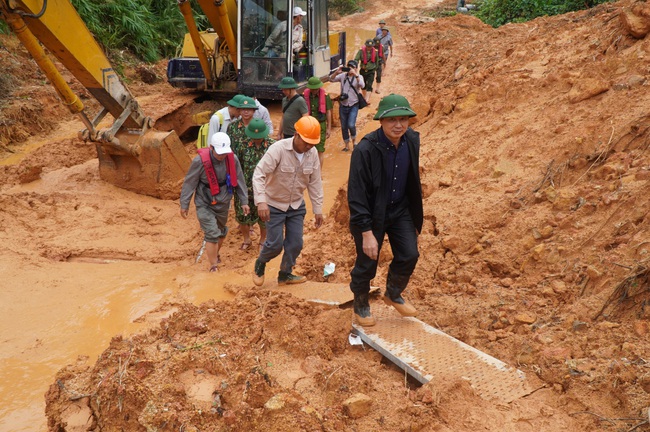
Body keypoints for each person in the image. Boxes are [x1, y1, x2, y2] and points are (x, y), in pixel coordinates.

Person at [347, 94, 422, 327]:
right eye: (392, 120)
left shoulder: (411, 140)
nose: (398, 125)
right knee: (367, 262)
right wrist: (366, 231)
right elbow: (356, 194)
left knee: (410, 254)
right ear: (381, 120)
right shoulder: (366, 149)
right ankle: (360, 304)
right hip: (371, 214)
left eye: (403, 119)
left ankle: (393, 292)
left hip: (400, 210)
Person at [252, 116, 324, 286]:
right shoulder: (278, 149)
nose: (309, 146)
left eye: (312, 143)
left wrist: (318, 208)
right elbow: (259, 174)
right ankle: (260, 263)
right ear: (297, 135)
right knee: (275, 244)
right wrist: (261, 201)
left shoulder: (312, 153)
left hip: (296, 205)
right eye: (306, 142)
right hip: (274, 204)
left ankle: (285, 274)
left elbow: (315, 182)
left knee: (296, 243)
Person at [180, 132, 249, 272]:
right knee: (212, 232)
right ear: (211, 148)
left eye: (224, 153)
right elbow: (189, 183)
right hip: (204, 202)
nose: (222, 156)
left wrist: (244, 201)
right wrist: (184, 204)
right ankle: (213, 266)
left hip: (223, 201)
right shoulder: (199, 161)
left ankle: (215, 253)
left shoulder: (232, 159)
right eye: (219, 153)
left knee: (221, 231)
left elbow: (240, 181)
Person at [232, 118, 274, 251]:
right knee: (242, 215)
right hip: (245, 188)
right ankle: (247, 239)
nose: (257, 139)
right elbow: (237, 166)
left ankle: (262, 240)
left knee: (264, 216)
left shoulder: (272, 146)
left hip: (264, 188)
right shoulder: (242, 145)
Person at [329, 60, 365, 152]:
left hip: (354, 105)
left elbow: (362, 85)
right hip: (343, 104)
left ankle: (354, 142)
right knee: (344, 126)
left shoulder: (359, 77)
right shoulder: (342, 76)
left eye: (352, 67)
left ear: (356, 68)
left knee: (351, 125)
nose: (350, 69)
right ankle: (346, 145)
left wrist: (356, 75)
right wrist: (337, 72)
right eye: (349, 67)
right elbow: (331, 79)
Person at [303, 76, 332, 168]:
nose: (314, 91)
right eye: (312, 89)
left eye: (316, 89)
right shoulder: (305, 96)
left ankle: (318, 174)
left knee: (320, 149)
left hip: (321, 124)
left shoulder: (325, 96)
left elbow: (328, 112)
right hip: (309, 125)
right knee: (307, 149)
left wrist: (329, 128)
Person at [354, 39, 379, 103]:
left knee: (369, 85)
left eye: (370, 47)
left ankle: (367, 100)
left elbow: (377, 62)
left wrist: (375, 69)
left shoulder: (375, 52)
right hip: (363, 70)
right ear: (365, 45)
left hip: (371, 71)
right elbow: (356, 59)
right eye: (368, 46)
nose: (369, 48)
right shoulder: (361, 51)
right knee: (363, 85)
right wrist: (355, 66)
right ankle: (365, 97)